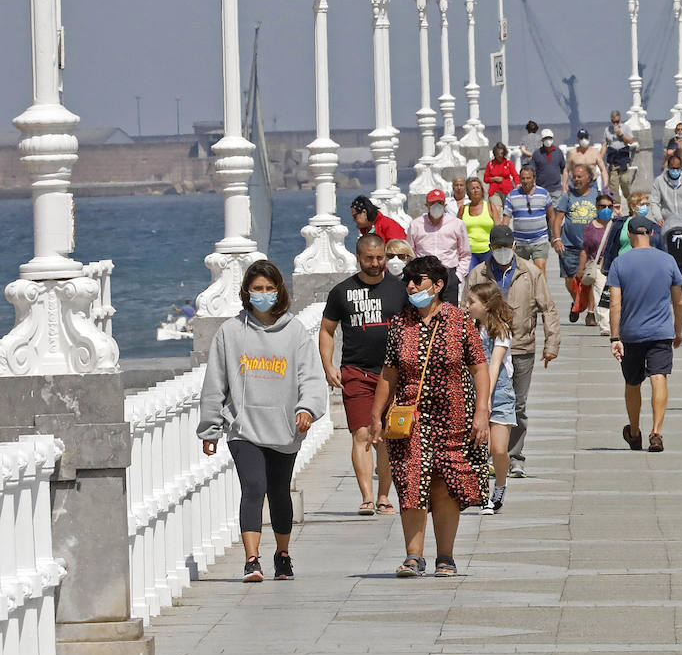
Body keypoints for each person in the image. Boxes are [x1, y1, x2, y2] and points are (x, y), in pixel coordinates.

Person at [198, 260, 328, 583]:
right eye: (258, 289)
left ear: (279, 291)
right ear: (247, 292)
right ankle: (251, 560)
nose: (264, 294)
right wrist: (210, 428)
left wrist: (307, 410)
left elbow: (311, 377)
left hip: (284, 427)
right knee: (254, 487)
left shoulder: (295, 331)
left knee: (279, 491)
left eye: (270, 289)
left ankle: (282, 555)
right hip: (243, 428)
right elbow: (215, 383)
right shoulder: (229, 332)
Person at [370, 255, 491, 577]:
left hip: (455, 414)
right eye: (408, 280)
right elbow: (389, 373)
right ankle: (413, 555)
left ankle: (445, 557)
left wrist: (482, 411)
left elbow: (479, 366)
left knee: (444, 484)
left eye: (418, 280)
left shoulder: (459, 320)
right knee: (411, 480)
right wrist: (375, 415)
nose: (411, 285)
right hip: (410, 416)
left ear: (437, 285)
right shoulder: (400, 324)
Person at [465, 225, 561, 479]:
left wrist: (552, 344)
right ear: (490, 249)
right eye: (497, 248)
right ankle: (486, 454)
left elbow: (547, 307)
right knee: (483, 402)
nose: (502, 252)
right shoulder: (478, 273)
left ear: (514, 247)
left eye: (506, 247)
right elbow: (465, 311)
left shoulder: (529, 272)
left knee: (517, 405)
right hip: (484, 348)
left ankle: (515, 456)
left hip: (521, 346)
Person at [320, 234, 406, 516]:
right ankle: (367, 496)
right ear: (358, 257)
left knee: (387, 436)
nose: (376, 263)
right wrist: (328, 365)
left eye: (380, 257)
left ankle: (384, 496)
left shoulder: (399, 289)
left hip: (393, 373)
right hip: (356, 372)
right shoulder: (342, 292)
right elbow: (327, 330)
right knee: (363, 433)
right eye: (369, 258)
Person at [609, 214, 682, 453]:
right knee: (659, 377)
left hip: (631, 333)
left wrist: (614, 337)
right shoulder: (668, 260)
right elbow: (679, 301)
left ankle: (633, 431)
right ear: (652, 233)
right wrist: (678, 330)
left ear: (629, 235)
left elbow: (614, 304)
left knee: (632, 382)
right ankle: (656, 432)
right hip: (661, 331)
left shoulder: (620, 263)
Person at [464, 280, 517, 515]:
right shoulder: (469, 329)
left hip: (500, 395)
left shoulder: (501, 330)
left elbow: (494, 366)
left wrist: (485, 401)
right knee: (477, 449)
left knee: (498, 449)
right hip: (473, 393)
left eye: (471, 302)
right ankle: (483, 494)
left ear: (486, 305)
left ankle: (500, 485)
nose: (466, 305)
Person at [554, 164, 601, 320]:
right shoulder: (567, 196)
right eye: (574, 177)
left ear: (589, 178)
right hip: (569, 245)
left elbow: (604, 218)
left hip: (591, 246)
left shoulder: (597, 195)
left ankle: (590, 313)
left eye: (580, 177)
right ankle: (577, 302)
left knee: (590, 279)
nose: (576, 180)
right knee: (569, 280)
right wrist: (557, 239)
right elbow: (558, 218)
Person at [408, 189, 472, 305]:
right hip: (423, 276)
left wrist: (458, 276)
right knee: (424, 311)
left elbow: (465, 253)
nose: (436, 206)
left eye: (440, 203)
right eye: (432, 203)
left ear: (445, 205)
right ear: (426, 205)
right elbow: (410, 253)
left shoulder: (457, 224)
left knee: (450, 314)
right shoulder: (415, 225)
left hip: (448, 274)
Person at [575, 192, 618, 334]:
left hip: (616, 264)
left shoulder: (618, 223)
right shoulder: (590, 227)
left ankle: (617, 323)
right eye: (602, 206)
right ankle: (605, 326)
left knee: (617, 294)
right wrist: (580, 269)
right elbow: (585, 250)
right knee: (601, 294)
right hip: (598, 265)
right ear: (597, 207)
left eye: (609, 206)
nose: (606, 209)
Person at [503, 165, 555, 274]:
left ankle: (540, 291)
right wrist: (505, 239)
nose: (525, 181)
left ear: (534, 179)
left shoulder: (544, 193)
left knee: (540, 270)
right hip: (520, 242)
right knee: (520, 273)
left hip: (540, 239)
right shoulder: (512, 195)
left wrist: (555, 236)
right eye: (523, 178)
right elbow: (506, 219)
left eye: (528, 178)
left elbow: (552, 216)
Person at [454, 177, 496, 274]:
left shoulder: (490, 207)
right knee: (472, 281)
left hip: (488, 251)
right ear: (468, 192)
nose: (475, 190)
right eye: (472, 188)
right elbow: (456, 231)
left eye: (478, 187)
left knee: (489, 280)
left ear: (482, 190)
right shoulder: (463, 209)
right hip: (469, 253)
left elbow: (498, 228)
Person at [649, 152, 682, 231]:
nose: (675, 171)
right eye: (672, 168)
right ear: (668, 167)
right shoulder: (659, 181)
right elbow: (654, 201)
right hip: (667, 223)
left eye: (677, 168)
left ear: (681, 167)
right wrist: (658, 217)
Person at [603, 110, 637, 207]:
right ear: (611, 120)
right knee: (613, 184)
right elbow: (605, 145)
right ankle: (617, 205)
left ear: (620, 119)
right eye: (614, 122)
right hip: (612, 160)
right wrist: (599, 158)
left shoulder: (625, 128)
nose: (615, 123)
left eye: (617, 121)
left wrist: (620, 134)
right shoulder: (607, 130)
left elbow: (630, 141)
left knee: (624, 181)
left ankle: (629, 199)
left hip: (623, 159)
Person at [529, 127, 566, 195]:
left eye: (549, 138)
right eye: (546, 138)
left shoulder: (558, 152)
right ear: (542, 140)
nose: (548, 140)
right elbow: (532, 172)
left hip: (556, 190)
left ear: (552, 139)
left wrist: (564, 187)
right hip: (541, 190)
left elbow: (564, 170)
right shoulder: (536, 154)